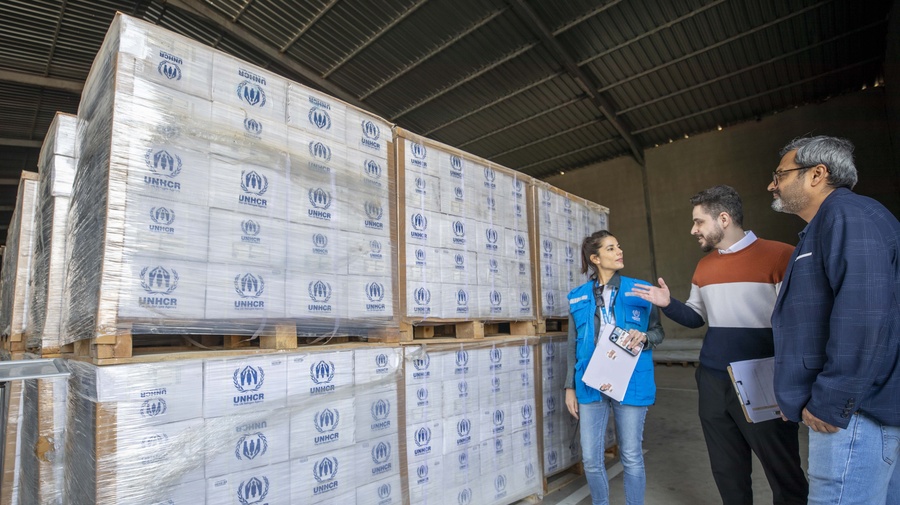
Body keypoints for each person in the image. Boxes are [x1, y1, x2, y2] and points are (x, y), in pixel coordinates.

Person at [628, 185, 808, 505]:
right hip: (712, 380)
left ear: (723, 219)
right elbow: (697, 317)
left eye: (698, 222)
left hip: (762, 378)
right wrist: (669, 304)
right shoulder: (705, 266)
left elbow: (800, 325)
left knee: (783, 472)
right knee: (727, 470)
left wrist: (792, 386)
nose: (693, 229)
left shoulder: (781, 255)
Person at [767, 136, 900, 505]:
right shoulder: (828, 223)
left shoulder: (847, 216)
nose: (772, 184)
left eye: (780, 174)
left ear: (817, 174)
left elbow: (864, 314)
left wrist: (831, 400)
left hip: (855, 415)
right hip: (858, 410)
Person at [564, 230, 664, 505]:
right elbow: (572, 344)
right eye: (610, 249)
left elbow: (657, 332)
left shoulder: (641, 290)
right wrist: (569, 387)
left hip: (630, 380)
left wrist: (644, 338)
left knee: (631, 455)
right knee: (590, 458)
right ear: (595, 258)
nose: (619, 251)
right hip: (589, 381)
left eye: (618, 246)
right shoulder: (577, 296)